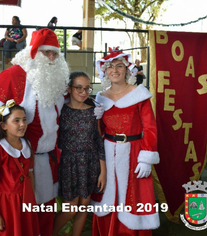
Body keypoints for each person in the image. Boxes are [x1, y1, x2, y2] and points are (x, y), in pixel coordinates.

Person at [0, 28, 70, 236]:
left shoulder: (57, 82)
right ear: (34, 52)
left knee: (44, 212)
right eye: (47, 52)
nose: (51, 58)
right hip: (14, 164)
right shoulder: (13, 76)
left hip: (46, 160)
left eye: (55, 53)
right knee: (15, 216)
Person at [92, 49, 160, 235]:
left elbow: (150, 128)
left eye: (119, 65)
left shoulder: (139, 95)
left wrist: (146, 158)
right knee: (108, 195)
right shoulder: (101, 98)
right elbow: (99, 133)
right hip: (107, 153)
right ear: (104, 72)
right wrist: (96, 119)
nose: (115, 70)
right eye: (110, 67)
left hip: (134, 153)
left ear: (127, 69)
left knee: (132, 198)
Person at [52, 71, 106, 236]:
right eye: (79, 88)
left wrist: (103, 171)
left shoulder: (93, 112)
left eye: (87, 89)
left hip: (90, 163)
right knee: (71, 208)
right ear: (69, 89)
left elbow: (98, 142)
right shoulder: (60, 111)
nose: (83, 92)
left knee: (84, 205)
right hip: (69, 164)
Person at [0, 100, 40, 236]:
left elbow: (30, 175)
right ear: (3, 125)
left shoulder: (27, 145)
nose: (22, 124)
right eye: (16, 121)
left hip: (26, 201)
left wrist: (32, 200)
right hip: (7, 205)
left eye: (24, 120)